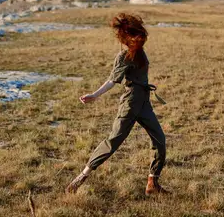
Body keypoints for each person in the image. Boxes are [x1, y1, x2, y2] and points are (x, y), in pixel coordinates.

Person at [66, 13, 169, 195]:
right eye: (134, 35)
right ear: (126, 38)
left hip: (144, 102)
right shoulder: (123, 56)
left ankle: (152, 183)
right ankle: (81, 177)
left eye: (139, 34)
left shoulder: (140, 50)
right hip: (130, 103)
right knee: (113, 141)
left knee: (160, 140)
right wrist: (95, 95)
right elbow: (113, 80)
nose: (139, 37)